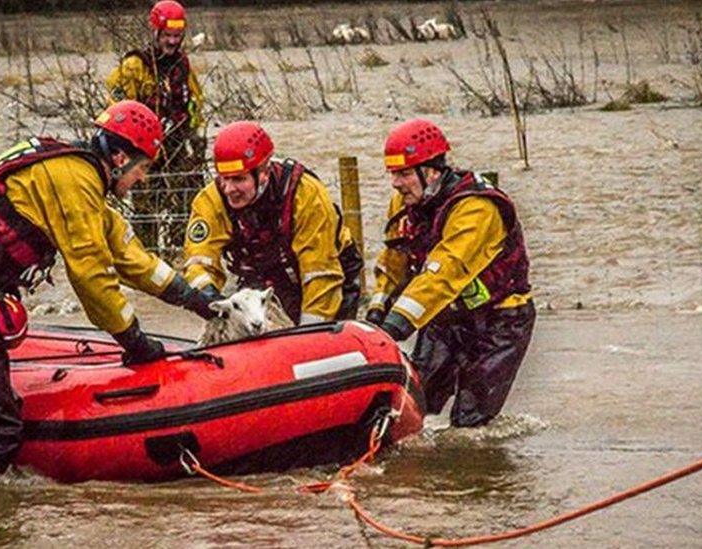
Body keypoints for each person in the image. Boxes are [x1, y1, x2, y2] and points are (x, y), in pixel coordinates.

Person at [0, 100, 217, 476]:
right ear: (120, 157)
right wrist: (133, 340)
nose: (143, 180)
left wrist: (196, 300)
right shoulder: (75, 181)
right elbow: (91, 275)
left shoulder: (77, 179)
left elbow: (131, 258)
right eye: (144, 168)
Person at [366, 118, 535, 428]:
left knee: (469, 421)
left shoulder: (476, 208)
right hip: (446, 319)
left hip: (499, 323)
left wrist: (396, 325)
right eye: (393, 174)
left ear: (431, 171)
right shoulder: (406, 204)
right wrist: (377, 310)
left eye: (403, 174)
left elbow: (443, 272)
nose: (395, 183)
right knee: (410, 404)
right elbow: (393, 259)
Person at [182, 121, 364, 325]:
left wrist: (308, 334)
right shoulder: (210, 201)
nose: (229, 189)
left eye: (239, 179)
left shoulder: (305, 194)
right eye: (224, 178)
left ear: (264, 173)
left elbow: (321, 276)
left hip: (329, 275)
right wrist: (212, 300)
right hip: (262, 275)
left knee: (323, 340)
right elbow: (199, 262)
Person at [105, 0, 205, 251]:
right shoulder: (134, 66)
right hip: (143, 156)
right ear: (156, 33)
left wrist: (191, 136)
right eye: (167, 35)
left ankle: (182, 259)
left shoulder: (183, 64)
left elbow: (196, 101)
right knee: (146, 216)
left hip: (179, 150)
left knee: (187, 210)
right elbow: (117, 106)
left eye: (177, 36)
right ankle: (148, 262)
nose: (172, 42)